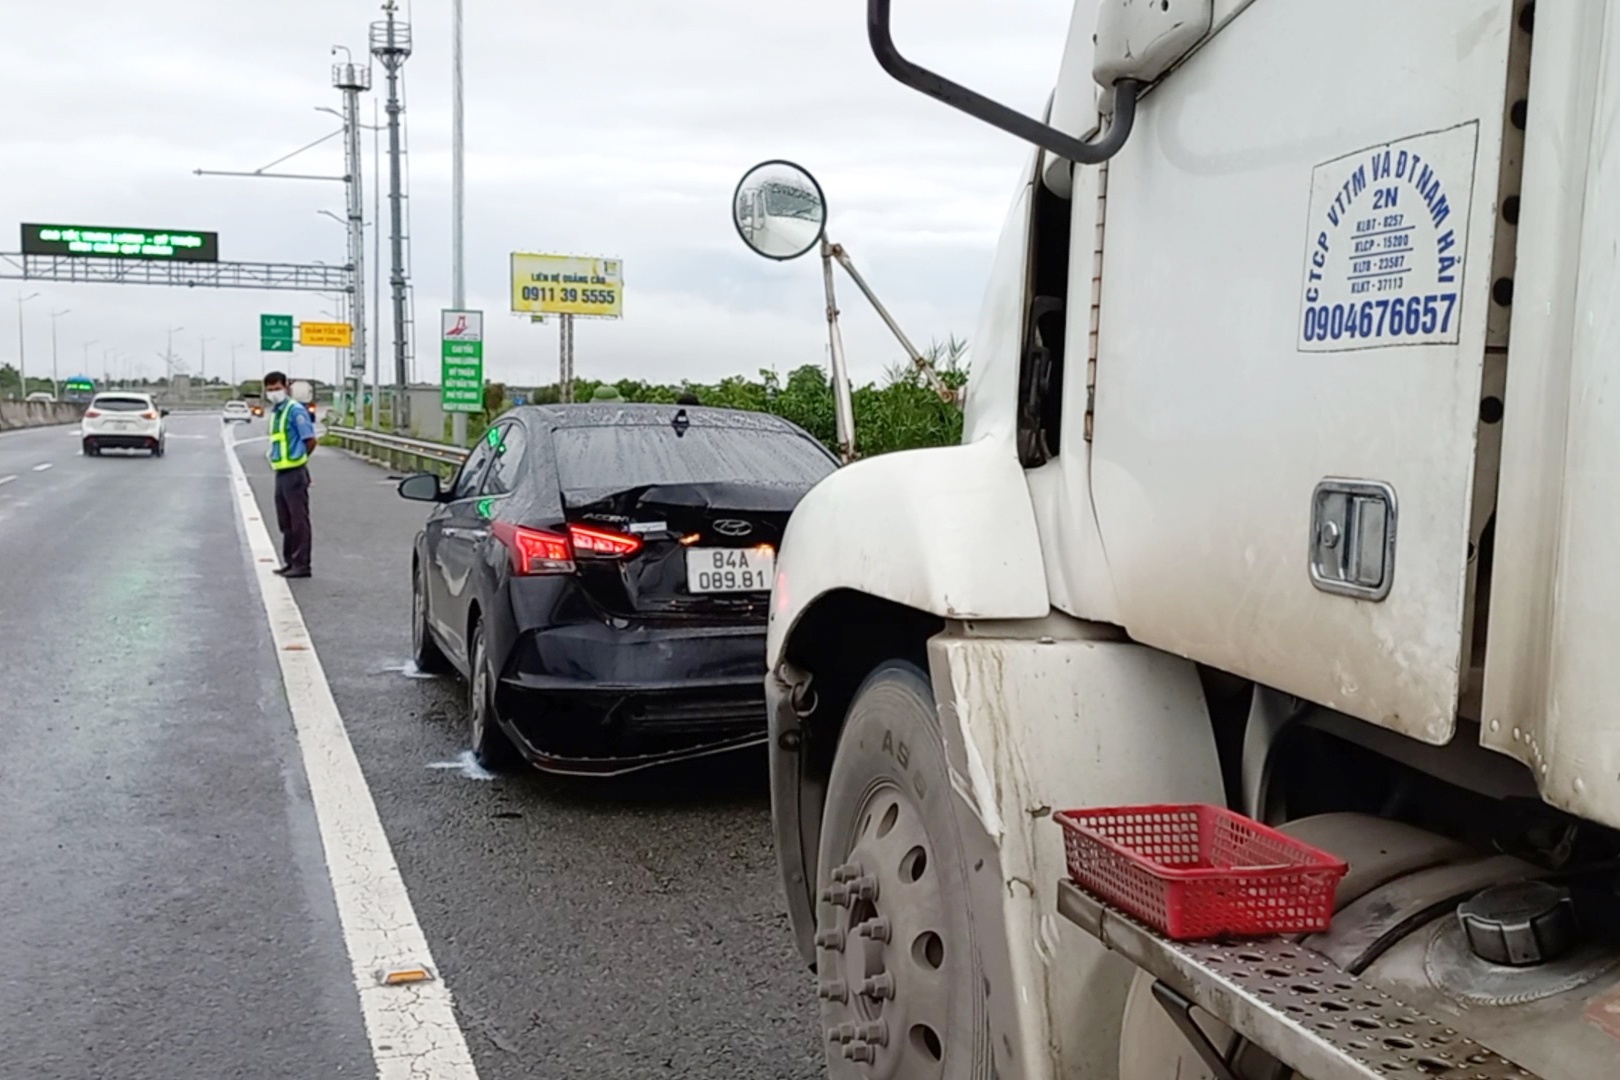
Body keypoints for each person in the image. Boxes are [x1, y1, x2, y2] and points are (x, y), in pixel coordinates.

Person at [264, 371, 318, 578]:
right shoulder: (278, 412)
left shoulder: (295, 410)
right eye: (269, 390)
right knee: (285, 521)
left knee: (298, 522)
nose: (273, 393)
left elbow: (310, 440)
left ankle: (302, 564)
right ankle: (290, 561)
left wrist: (301, 461)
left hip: (294, 472)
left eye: (276, 388)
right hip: (281, 472)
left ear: (286, 387)